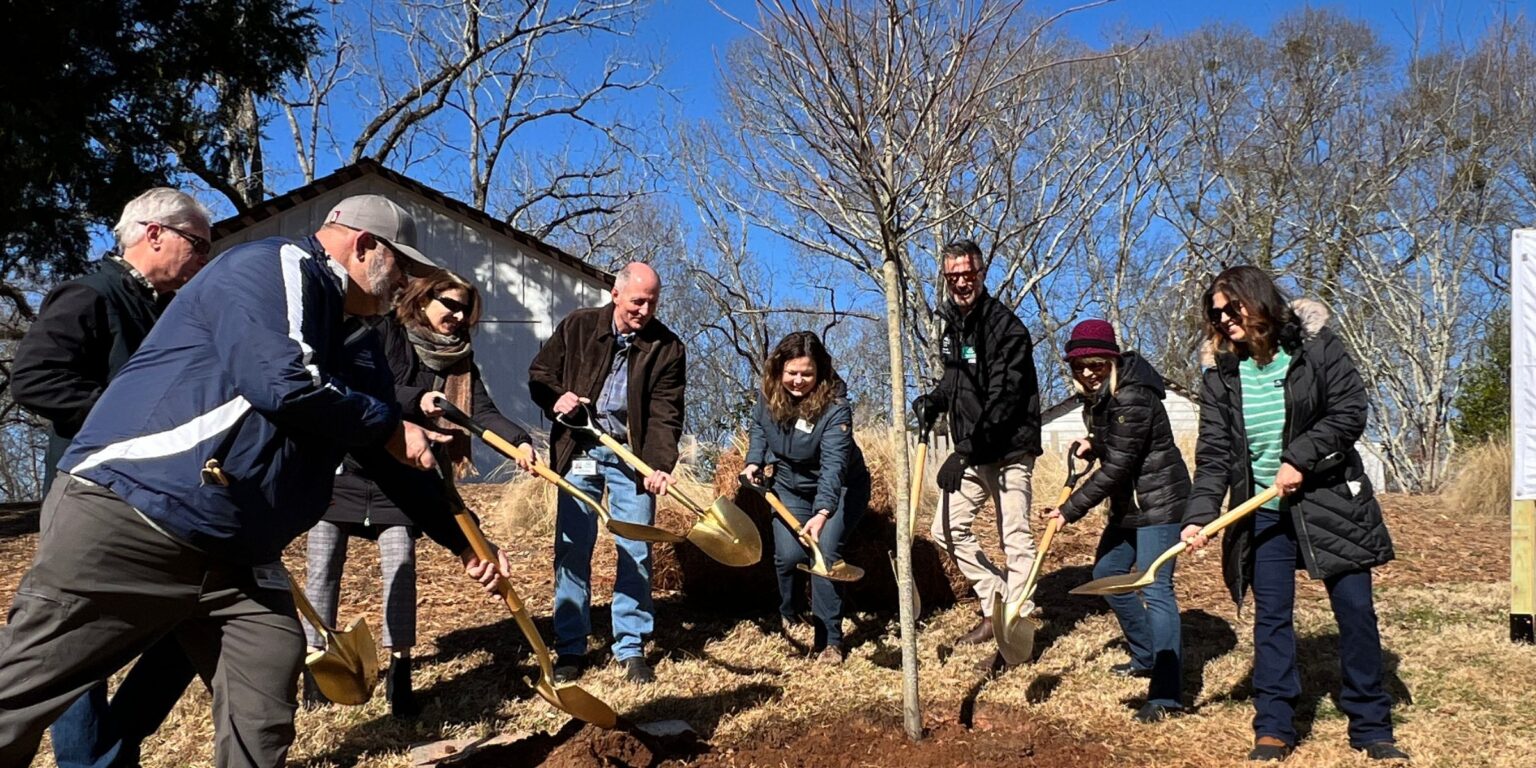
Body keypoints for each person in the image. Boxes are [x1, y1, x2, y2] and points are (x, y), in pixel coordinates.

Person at [0, 194, 511, 768]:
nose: (407, 285)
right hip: (134, 515)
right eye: (404, 268)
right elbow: (285, 383)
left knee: (266, 670)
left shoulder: (360, 340)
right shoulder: (275, 266)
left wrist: (464, 540)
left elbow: (385, 449)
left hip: (236, 549)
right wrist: (390, 426)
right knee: (23, 692)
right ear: (365, 246)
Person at [10, 188, 212, 768]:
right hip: (91, 497)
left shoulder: (164, 307)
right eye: (197, 244)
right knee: (78, 640)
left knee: (187, 619)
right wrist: (130, 419)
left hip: (158, 500)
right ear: (153, 235)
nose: (203, 258)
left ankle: (111, 753)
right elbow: (36, 380)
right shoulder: (90, 293)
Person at [1179, 266, 1407, 762]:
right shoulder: (1221, 374)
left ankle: (1371, 725)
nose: (1222, 320)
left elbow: (1349, 411)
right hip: (1262, 511)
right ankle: (1275, 725)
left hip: (1328, 499)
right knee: (1272, 619)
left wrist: (1299, 458)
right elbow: (1215, 455)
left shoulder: (1316, 348)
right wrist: (1198, 515)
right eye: (1214, 314)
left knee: (1355, 614)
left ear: (1257, 301)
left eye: (1230, 308)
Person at [303, 269, 537, 717]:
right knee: (323, 569)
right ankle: (318, 667)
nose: (457, 314)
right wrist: (418, 401)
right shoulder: (388, 332)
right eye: (449, 304)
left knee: (401, 568)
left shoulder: (460, 361)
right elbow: (374, 386)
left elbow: (480, 410)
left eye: (465, 308)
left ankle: (400, 671)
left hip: (409, 479)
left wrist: (518, 439)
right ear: (424, 299)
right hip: (351, 467)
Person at [529, 261, 686, 685]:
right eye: (638, 301)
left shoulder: (666, 348)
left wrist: (658, 465)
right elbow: (540, 375)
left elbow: (665, 413)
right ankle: (571, 648)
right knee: (572, 548)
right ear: (616, 294)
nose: (644, 310)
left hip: (630, 460)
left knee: (635, 550)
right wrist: (557, 399)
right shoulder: (578, 327)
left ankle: (631, 647)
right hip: (579, 451)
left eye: (652, 303)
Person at [1041, 319, 1190, 723]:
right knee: (1108, 572)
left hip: (1158, 502)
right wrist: (1095, 443)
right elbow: (1119, 444)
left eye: (1096, 364)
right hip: (1131, 505)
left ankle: (1167, 693)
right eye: (1079, 366)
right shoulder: (1101, 398)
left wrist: (1070, 509)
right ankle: (1145, 655)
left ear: (1112, 360)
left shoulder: (1132, 396)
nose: (1088, 372)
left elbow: (1121, 466)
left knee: (1155, 586)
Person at [912, 239, 1043, 652]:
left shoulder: (1007, 329)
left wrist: (964, 450)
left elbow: (1004, 399)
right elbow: (956, 380)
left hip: (1009, 449)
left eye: (968, 274)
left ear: (982, 274)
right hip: (974, 447)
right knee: (945, 529)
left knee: (1015, 536)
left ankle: (1017, 622)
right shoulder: (953, 324)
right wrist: (935, 399)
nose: (962, 283)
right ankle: (996, 601)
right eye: (954, 277)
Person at [742, 331, 871, 664]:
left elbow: (834, 467)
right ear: (779, 370)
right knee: (786, 556)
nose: (798, 381)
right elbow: (758, 426)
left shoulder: (835, 409)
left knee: (823, 554)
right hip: (789, 486)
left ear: (820, 373)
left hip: (840, 489)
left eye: (807, 374)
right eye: (792, 373)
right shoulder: (768, 395)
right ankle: (791, 610)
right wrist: (754, 459)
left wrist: (824, 512)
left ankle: (829, 640)